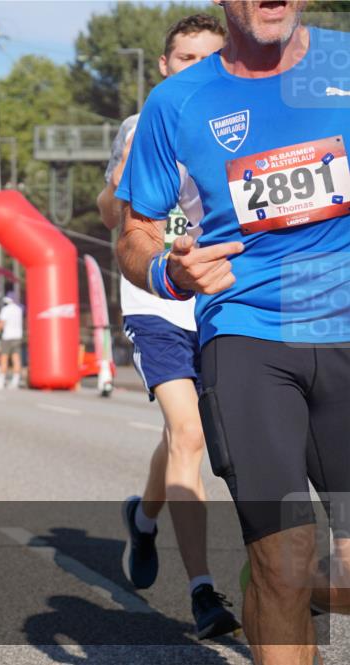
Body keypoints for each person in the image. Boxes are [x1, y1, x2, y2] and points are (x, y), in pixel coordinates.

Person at [116, 3, 349, 662]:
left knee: (329, 573)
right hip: (246, 335)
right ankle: (276, 581)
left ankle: (280, 589)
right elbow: (133, 231)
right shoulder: (178, 102)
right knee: (283, 556)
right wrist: (170, 270)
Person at [97, 13, 240, 640]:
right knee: (189, 435)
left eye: (209, 57)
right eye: (185, 58)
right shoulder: (142, 123)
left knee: (199, 433)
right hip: (157, 296)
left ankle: (145, 516)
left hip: (222, 294)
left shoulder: (242, 116)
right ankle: (204, 591)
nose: (197, 68)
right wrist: (125, 173)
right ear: (164, 65)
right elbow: (111, 215)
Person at [0, 292, 24, 390]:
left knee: (4, 358)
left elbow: (2, 324)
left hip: (7, 337)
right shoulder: (19, 309)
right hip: (17, 336)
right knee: (16, 358)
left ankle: (1, 381)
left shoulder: (5, 310)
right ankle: (15, 380)